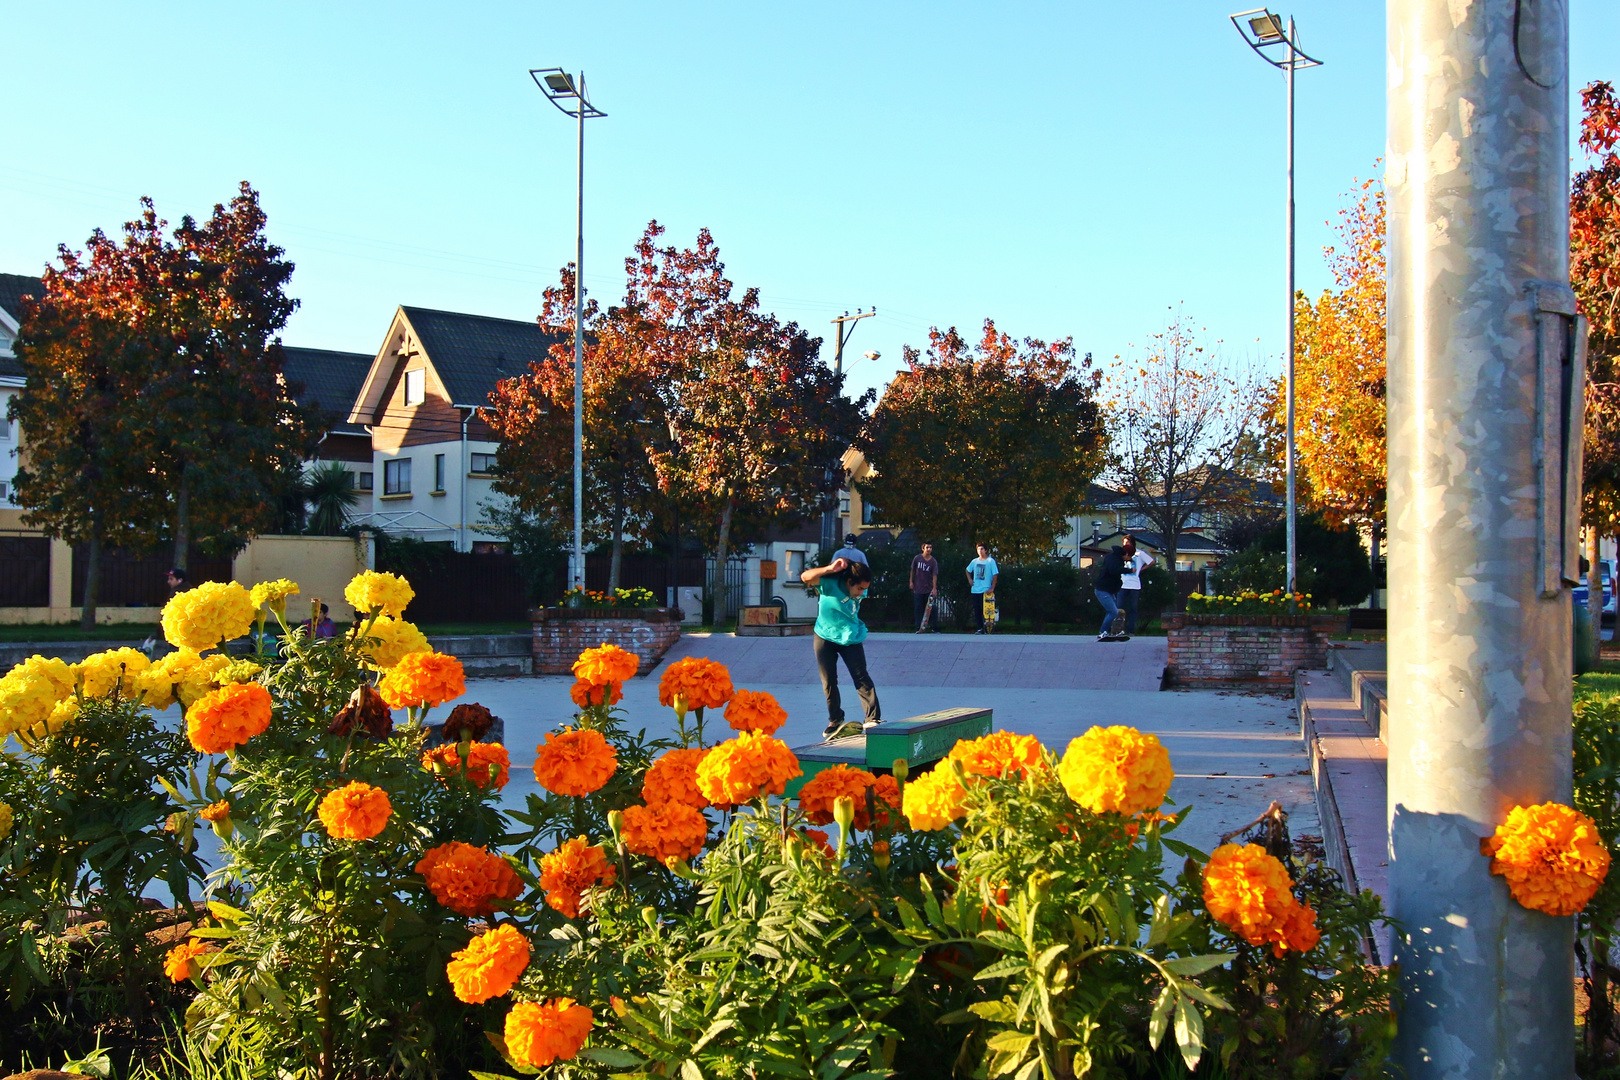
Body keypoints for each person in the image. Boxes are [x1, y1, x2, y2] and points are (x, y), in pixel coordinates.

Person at [799, 556, 882, 738]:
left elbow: (860, 589)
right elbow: (805, 577)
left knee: (861, 676)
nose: (861, 593)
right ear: (849, 582)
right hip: (824, 636)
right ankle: (835, 719)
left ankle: (872, 718)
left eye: (865, 589)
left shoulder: (860, 589)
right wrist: (829, 568)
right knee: (828, 680)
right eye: (859, 588)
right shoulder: (829, 583)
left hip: (850, 636)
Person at [1117, 535, 1154, 634]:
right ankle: (1119, 629)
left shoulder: (1139, 554)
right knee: (1119, 608)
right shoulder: (1120, 554)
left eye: (1127, 542)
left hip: (1134, 585)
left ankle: (1131, 630)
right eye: (1124, 542)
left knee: (1133, 608)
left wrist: (1141, 569)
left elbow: (1151, 561)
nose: (1125, 544)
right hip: (1122, 584)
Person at [965, 543, 999, 635]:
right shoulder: (974, 561)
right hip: (976, 589)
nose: (980, 551)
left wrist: (992, 587)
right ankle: (980, 628)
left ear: (986, 550)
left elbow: (995, 575)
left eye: (982, 549)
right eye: (978, 549)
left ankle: (988, 628)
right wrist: (970, 579)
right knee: (977, 609)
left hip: (986, 589)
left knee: (987, 610)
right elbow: (967, 570)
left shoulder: (990, 561)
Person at [1095, 543, 1126, 640]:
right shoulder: (1115, 561)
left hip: (1109, 590)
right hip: (1103, 590)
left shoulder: (1112, 557)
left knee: (1115, 612)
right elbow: (1114, 571)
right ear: (1124, 555)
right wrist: (1128, 570)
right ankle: (1102, 632)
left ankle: (1114, 631)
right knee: (1113, 611)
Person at [910, 541, 940, 633]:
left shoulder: (933, 561)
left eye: (930, 547)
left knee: (932, 608)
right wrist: (911, 581)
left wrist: (934, 588)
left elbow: (935, 575)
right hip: (918, 587)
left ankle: (934, 627)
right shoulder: (917, 558)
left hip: (928, 588)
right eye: (927, 547)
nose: (929, 549)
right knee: (918, 607)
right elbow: (912, 570)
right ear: (923, 548)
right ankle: (918, 627)